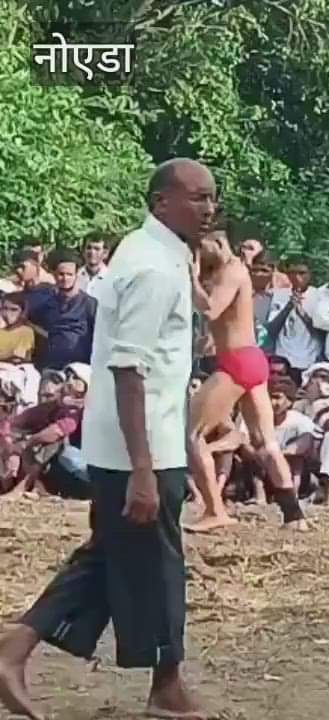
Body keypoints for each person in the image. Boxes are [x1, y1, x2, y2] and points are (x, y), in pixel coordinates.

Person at [0, 158, 215, 720]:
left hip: (140, 438)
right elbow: (127, 368)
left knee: (109, 555)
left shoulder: (157, 253)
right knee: (160, 562)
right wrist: (143, 468)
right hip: (141, 446)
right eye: (196, 198)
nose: (209, 208)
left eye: (212, 198)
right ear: (161, 202)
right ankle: (167, 686)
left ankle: (13, 648)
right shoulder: (151, 267)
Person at [184, 231, 308, 533]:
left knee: (192, 435)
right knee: (265, 443)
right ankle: (294, 515)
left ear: (217, 243)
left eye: (201, 249)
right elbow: (224, 319)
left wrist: (190, 276)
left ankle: (215, 510)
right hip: (249, 359)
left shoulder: (232, 271)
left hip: (238, 363)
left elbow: (210, 307)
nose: (197, 255)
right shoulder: (229, 272)